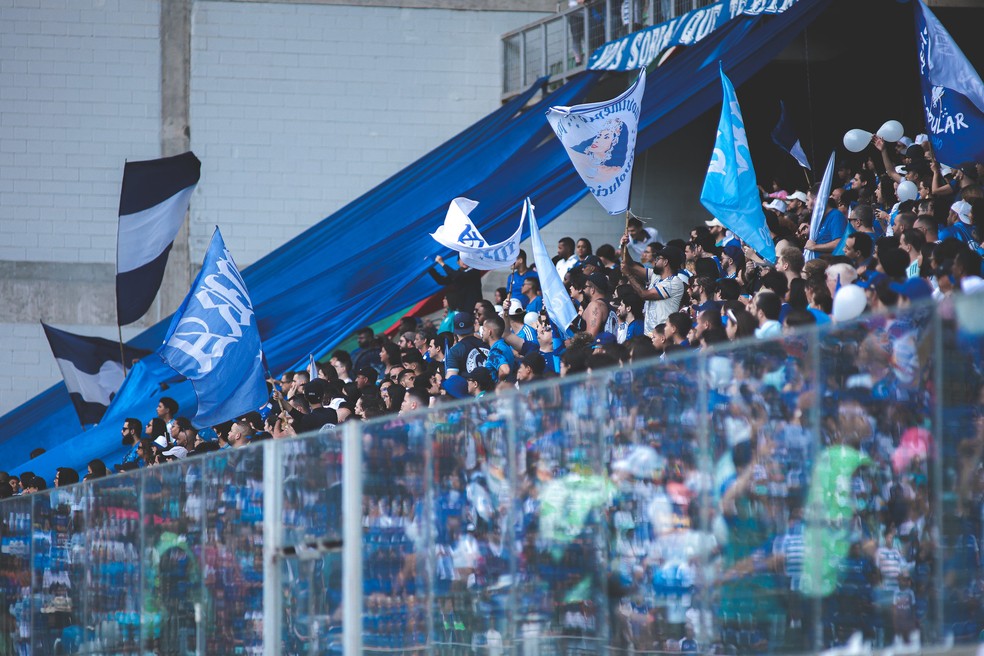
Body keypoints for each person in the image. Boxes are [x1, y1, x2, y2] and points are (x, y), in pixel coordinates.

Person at [620, 239, 686, 333]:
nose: (655, 261)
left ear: (665, 262)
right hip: (651, 334)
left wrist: (629, 275)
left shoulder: (674, 282)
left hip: (663, 335)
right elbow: (631, 265)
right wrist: (624, 246)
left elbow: (644, 294)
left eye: (658, 258)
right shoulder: (656, 275)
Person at [445, 312, 488, 378]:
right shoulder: (487, 342)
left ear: (455, 331)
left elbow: (451, 378)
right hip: (494, 385)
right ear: (473, 327)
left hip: (471, 387)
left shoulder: (455, 351)